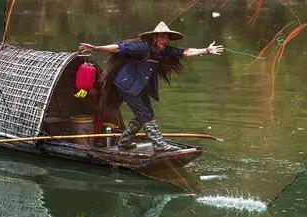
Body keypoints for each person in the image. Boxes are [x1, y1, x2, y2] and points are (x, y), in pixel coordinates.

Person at [78, 21, 223, 152]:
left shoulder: (166, 51)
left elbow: (186, 51)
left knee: (147, 114)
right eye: (162, 37)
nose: (164, 40)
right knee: (145, 114)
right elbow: (118, 48)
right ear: (155, 37)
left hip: (140, 87)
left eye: (167, 37)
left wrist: (207, 50)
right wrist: (96, 48)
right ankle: (159, 144)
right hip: (127, 84)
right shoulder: (141, 48)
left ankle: (124, 143)